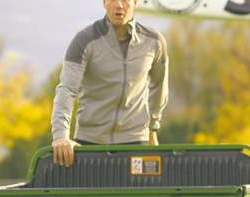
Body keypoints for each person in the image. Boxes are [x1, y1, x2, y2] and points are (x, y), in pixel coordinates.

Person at [51, 0, 169, 166]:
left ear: (135, 2)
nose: (119, 5)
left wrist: (153, 128)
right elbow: (67, 90)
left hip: (135, 141)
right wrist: (61, 136)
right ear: (104, 3)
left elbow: (159, 85)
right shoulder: (84, 40)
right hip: (89, 141)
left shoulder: (154, 41)